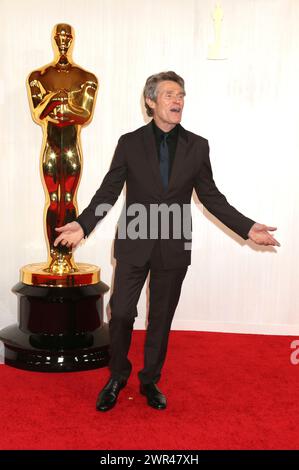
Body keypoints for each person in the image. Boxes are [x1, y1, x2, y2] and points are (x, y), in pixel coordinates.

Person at [54, 71, 280, 411]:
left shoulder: (197, 145)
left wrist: (247, 228)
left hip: (173, 244)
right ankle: (117, 376)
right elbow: (109, 191)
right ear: (151, 100)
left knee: (161, 316)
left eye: (181, 95)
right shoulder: (129, 143)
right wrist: (84, 225)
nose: (178, 101)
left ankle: (150, 381)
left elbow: (211, 197)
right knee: (121, 313)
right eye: (170, 94)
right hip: (134, 240)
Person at [27, 23, 98, 274]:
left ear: (73, 39)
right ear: (54, 39)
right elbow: (39, 113)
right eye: (60, 36)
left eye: (68, 36)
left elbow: (84, 114)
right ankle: (53, 257)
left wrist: (60, 105)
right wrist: (57, 100)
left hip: (70, 146)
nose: (64, 40)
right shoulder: (39, 76)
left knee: (68, 199)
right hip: (51, 145)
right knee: (53, 199)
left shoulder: (86, 77)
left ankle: (65, 257)